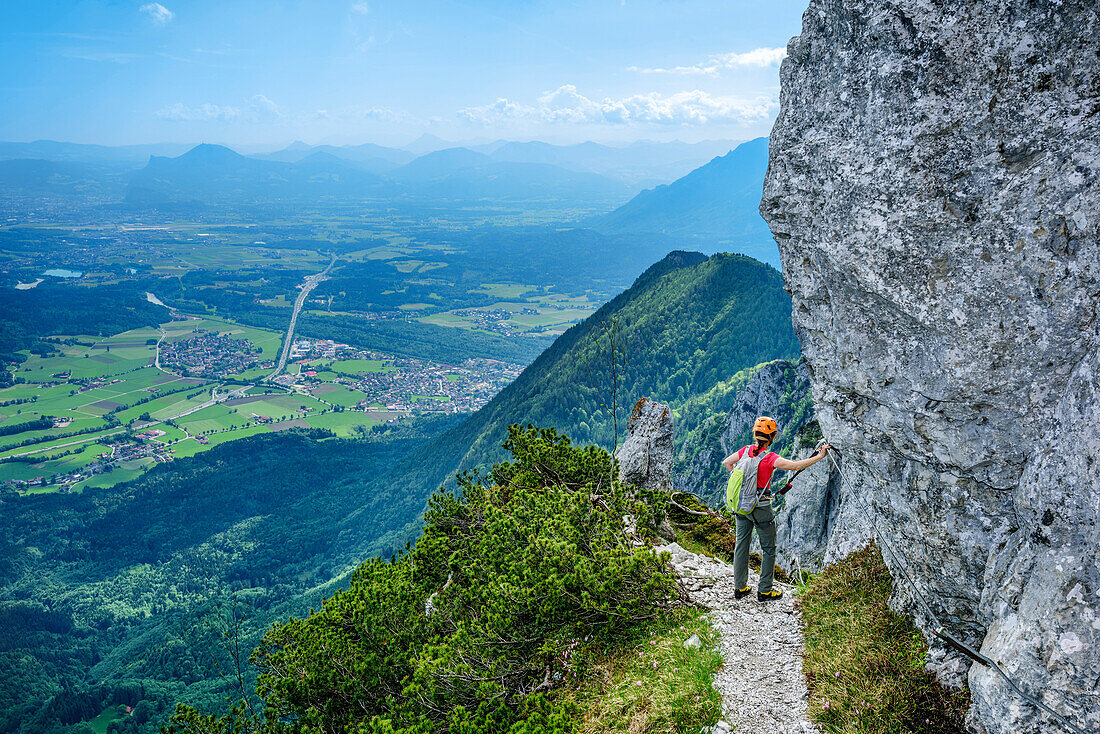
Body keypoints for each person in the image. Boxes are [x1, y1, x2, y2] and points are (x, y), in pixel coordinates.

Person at [721, 416, 831, 602]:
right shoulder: (771, 458)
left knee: (741, 545)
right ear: (772, 437)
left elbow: (726, 463)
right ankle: (765, 590)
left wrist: (742, 480)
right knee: (769, 548)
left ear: (755, 434)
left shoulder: (745, 451)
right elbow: (796, 466)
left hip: (740, 506)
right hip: (761, 507)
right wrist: (820, 456)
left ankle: (740, 588)